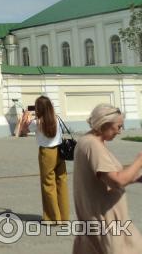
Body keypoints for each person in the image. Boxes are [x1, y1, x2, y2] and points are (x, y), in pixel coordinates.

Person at [72, 104, 142, 254]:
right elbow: (117, 181)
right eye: (118, 126)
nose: (120, 131)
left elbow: (107, 176)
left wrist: (135, 177)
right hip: (106, 223)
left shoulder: (87, 140)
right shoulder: (93, 145)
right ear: (105, 123)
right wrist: (139, 161)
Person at [29, 95, 69, 224]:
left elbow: (26, 129)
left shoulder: (37, 122)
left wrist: (28, 117)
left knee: (48, 185)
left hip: (47, 153)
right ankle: (64, 217)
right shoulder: (56, 119)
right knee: (61, 183)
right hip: (60, 151)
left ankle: (52, 218)